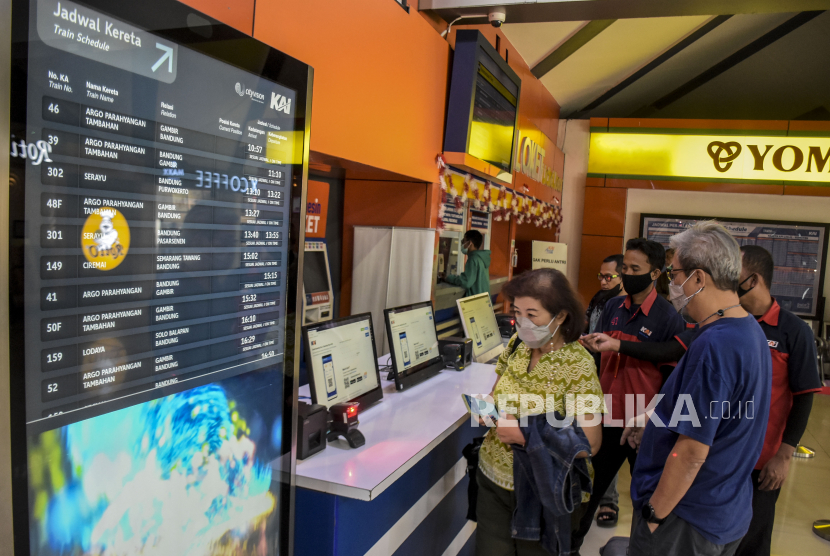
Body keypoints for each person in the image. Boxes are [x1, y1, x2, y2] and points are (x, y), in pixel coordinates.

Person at [625, 221, 772, 556]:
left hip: (684, 519)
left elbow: (692, 452)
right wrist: (655, 418)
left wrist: (654, 513)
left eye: (674, 276)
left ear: (699, 278)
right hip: (725, 510)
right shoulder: (748, 330)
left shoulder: (715, 345)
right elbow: (722, 413)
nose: (672, 285)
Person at [476, 268, 604, 556]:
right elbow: (497, 394)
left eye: (532, 314)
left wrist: (524, 435)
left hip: (544, 488)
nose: (522, 322)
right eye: (518, 312)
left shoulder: (577, 365)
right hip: (494, 480)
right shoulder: (518, 345)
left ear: (560, 316)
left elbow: (590, 442)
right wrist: (487, 410)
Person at [572, 239, 685, 552]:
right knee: (587, 490)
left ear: (655, 273)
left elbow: (670, 369)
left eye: (636, 269)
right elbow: (601, 358)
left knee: (646, 496)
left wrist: (655, 418)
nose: (627, 274)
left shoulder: (667, 316)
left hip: (643, 424)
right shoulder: (612, 307)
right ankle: (570, 547)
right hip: (607, 415)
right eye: (625, 268)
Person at [733, 245, 823, 556]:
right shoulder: (728, 323)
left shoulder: (793, 331)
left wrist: (784, 456)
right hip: (721, 453)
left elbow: (805, 396)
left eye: (734, 274)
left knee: (752, 540)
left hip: (763, 459)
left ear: (753, 279)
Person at [584, 253, 626, 528]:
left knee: (606, 448)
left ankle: (608, 501)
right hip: (591, 378)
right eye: (600, 275)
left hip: (616, 389)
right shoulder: (598, 299)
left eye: (609, 276)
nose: (603, 280)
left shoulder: (623, 307)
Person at [443, 230, 491, 297]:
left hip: (476, 300)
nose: (462, 243)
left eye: (463, 241)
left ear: (470, 243)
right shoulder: (481, 257)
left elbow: (466, 282)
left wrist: (448, 278)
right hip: (484, 299)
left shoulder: (473, 259)